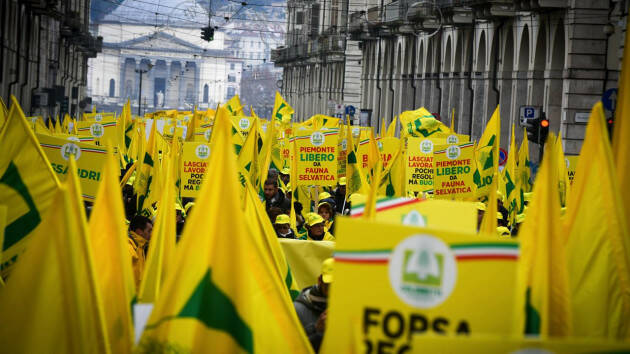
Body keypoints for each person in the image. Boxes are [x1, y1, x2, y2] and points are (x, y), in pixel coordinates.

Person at [294, 258, 334, 353]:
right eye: (329, 285)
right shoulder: (297, 310)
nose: (333, 290)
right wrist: (317, 331)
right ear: (319, 280)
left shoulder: (345, 308)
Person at [128, 215, 153, 289]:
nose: (152, 234)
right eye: (149, 230)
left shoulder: (140, 246)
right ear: (139, 232)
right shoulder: (129, 249)